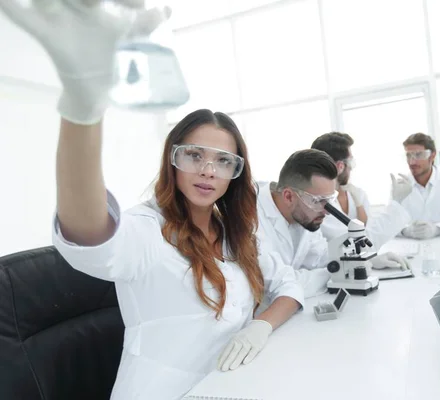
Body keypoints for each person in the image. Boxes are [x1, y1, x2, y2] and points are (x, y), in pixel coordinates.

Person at [0, 2, 303, 399]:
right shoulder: (149, 233)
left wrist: (262, 325)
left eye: (223, 161)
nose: (209, 170)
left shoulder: (235, 234)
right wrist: (83, 106)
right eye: (194, 155)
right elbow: (89, 232)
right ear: (172, 162)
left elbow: (289, 285)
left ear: (236, 173)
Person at [256, 149, 410, 298]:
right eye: (319, 201)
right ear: (289, 196)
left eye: (329, 201)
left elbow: (320, 256)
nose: (327, 211)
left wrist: (360, 261)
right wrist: (336, 272)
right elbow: (280, 283)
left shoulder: (304, 213)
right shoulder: (253, 219)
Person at [311, 132, 414, 250]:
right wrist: (396, 203)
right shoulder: (318, 205)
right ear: (340, 166)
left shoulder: (354, 193)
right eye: (350, 162)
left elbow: (367, 230)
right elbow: (361, 242)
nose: (352, 168)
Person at [398, 132, 440, 240]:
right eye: (408, 155)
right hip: (411, 249)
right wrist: (406, 230)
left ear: (432, 155)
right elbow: (389, 222)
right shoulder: (399, 186)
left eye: (419, 155)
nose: (412, 162)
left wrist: (438, 229)